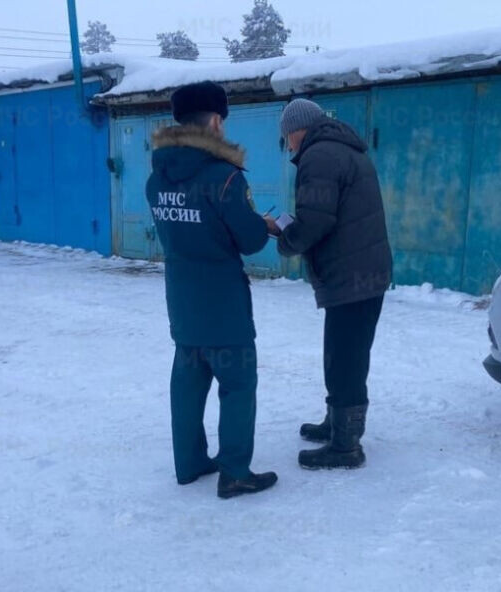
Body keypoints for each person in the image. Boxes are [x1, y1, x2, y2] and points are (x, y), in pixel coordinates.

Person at [146, 81, 277, 499]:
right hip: (223, 304)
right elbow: (250, 240)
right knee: (238, 387)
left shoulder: (157, 178)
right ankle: (235, 471)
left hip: (182, 302)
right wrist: (265, 225)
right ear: (216, 121)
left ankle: (189, 463)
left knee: (188, 381)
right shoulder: (224, 178)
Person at [267, 99, 393, 470]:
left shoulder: (319, 156)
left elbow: (316, 221)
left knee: (345, 359)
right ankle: (337, 424)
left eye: (286, 138)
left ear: (296, 130)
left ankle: (346, 446)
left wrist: (283, 235)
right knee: (343, 354)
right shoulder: (341, 148)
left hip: (352, 275)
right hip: (360, 272)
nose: (288, 145)